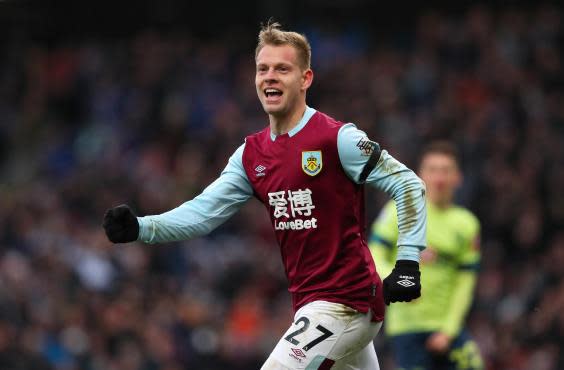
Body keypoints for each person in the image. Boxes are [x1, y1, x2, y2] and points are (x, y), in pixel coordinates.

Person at [103, 21, 427, 370]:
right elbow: (202, 213)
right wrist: (141, 227)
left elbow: (408, 184)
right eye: (263, 69)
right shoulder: (251, 155)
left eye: (282, 69)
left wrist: (408, 262)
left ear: (305, 79)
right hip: (312, 303)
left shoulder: (337, 138)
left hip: (346, 302)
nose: (270, 77)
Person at [369, 141, 484, 370]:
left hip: (447, 327)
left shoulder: (467, 224)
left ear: (457, 177)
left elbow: (466, 281)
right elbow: (374, 253)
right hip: (407, 327)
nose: (439, 178)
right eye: (432, 170)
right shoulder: (399, 210)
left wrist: (449, 329)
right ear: (421, 175)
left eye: (445, 170)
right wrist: (396, 281)